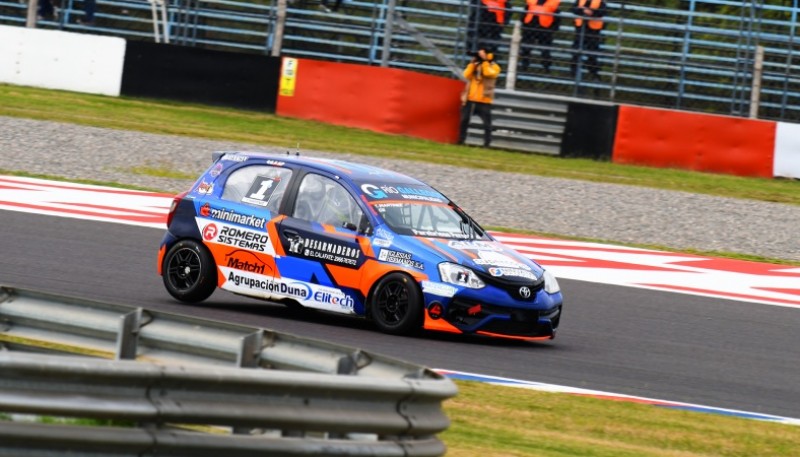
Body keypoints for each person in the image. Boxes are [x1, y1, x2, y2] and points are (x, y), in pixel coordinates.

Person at [458, 49, 502, 148]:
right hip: (470, 99)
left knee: (487, 124)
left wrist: (485, 61)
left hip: (484, 100)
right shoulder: (476, 65)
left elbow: (488, 74)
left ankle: (487, 144)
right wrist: (472, 64)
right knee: (464, 120)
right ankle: (461, 140)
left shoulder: (495, 67)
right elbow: (465, 75)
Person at [519, 0, 561, 72]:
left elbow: (557, 17)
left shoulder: (554, 2)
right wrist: (523, 24)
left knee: (545, 50)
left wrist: (552, 29)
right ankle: (524, 66)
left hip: (545, 29)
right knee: (526, 48)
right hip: (530, 27)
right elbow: (525, 11)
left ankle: (546, 68)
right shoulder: (531, 1)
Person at [571, 0, 606, 80]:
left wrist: (591, 12)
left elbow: (602, 12)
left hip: (593, 30)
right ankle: (574, 72)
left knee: (592, 52)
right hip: (580, 28)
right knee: (576, 50)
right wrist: (583, 10)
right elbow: (573, 9)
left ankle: (593, 73)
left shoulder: (600, 2)